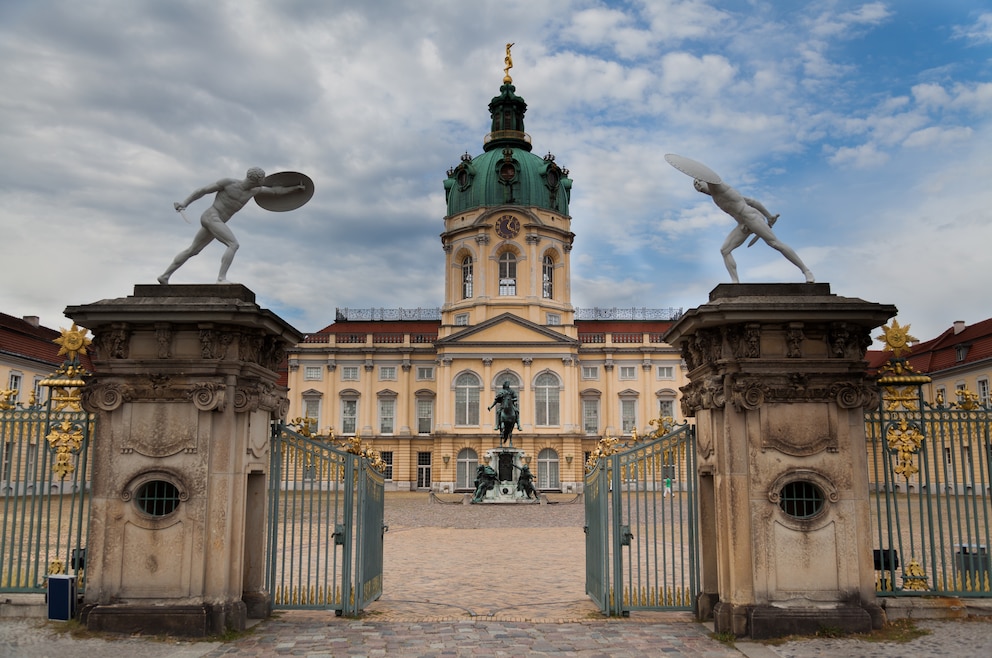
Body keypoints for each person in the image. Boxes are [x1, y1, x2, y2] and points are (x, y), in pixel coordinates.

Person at [158, 167, 303, 284]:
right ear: (255, 180)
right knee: (233, 244)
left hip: (217, 221)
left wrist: (297, 187)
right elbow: (202, 191)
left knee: (193, 250)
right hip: (211, 216)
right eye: (262, 179)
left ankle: (164, 276)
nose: (264, 182)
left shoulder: (254, 190)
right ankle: (221, 279)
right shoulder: (228, 183)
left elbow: (276, 191)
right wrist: (185, 203)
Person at [692, 178, 814, 284]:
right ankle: (735, 283)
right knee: (725, 250)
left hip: (752, 217)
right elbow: (751, 201)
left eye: (698, 181)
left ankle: (806, 271)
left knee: (774, 243)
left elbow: (709, 176)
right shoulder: (716, 197)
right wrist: (769, 216)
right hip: (742, 224)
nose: (697, 185)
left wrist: (767, 216)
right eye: (695, 184)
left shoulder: (722, 187)